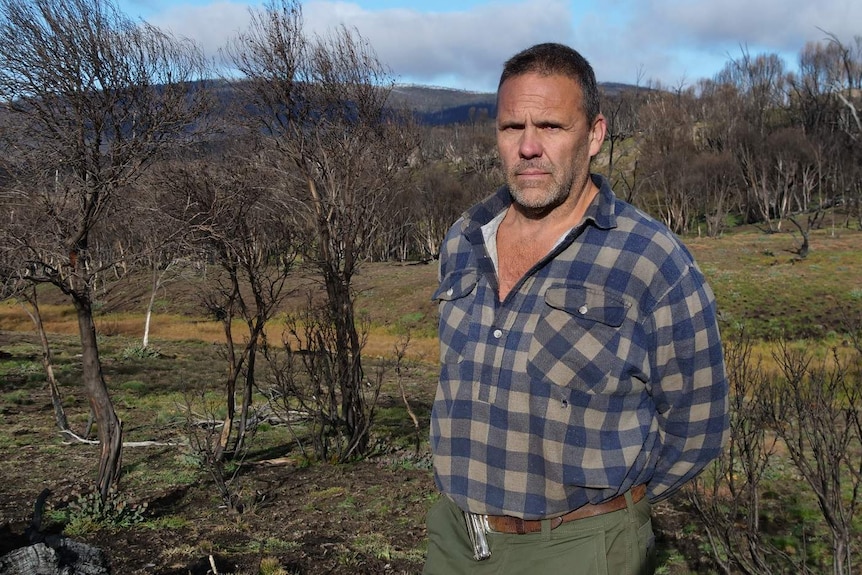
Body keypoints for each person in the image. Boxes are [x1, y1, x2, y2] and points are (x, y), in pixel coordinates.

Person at [424, 43, 729, 575]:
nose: (528, 147)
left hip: (580, 548)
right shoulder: (464, 237)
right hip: (455, 539)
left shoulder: (650, 258)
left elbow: (698, 424)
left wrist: (613, 512)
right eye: (511, 127)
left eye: (551, 127)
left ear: (594, 136)